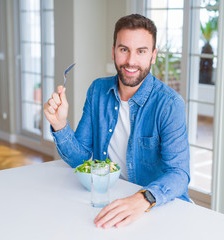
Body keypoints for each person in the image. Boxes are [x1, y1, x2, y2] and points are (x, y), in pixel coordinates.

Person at [43, 14, 190, 229]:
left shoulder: (169, 104)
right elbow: (81, 160)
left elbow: (179, 174)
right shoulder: (98, 91)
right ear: (113, 52)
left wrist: (142, 198)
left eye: (141, 51)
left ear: (153, 55)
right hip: (112, 200)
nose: (131, 61)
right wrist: (60, 125)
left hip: (157, 206)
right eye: (124, 49)